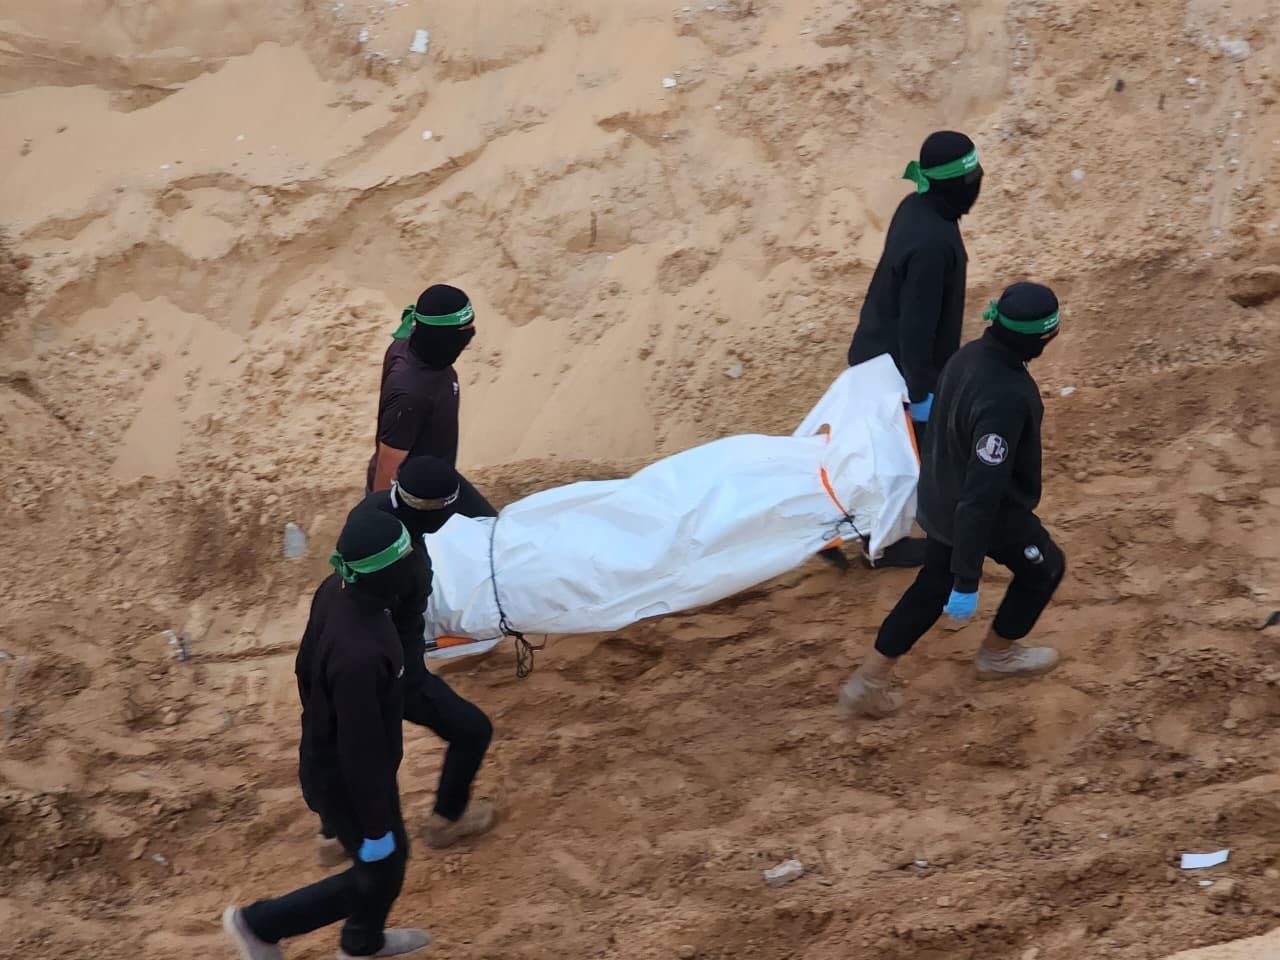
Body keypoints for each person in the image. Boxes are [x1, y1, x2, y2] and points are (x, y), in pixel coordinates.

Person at [838, 281, 1066, 718]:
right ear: (1040, 339)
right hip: (985, 512)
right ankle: (998, 655)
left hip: (940, 495)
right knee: (1044, 569)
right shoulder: (1008, 394)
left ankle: (867, 682)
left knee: (929, 588)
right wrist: (967, 576)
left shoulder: (968, 356)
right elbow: (983, 491)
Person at [222, 511, 431, 960]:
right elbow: (360, 752)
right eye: (406, 558)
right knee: (380, 871)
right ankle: (260, 924)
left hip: (334, 759)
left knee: (388, 864)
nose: (415, 562)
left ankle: (363, 942)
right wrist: (375, 825)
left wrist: (320, 717)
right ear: (387, 575)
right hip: (347, 779)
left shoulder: (336, 589)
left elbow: (304, 667)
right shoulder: (362, 653)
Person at [316, 456, 497, 866]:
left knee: (351, 743)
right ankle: (447, 820)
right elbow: (409, 625)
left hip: (337, 652)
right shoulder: (412, 565)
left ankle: (333, 835)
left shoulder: (370, 511)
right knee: (472, 730)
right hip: (390, 668)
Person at [822, 130, 984, 571]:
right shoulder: (934, 244)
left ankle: (835, 526)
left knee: (874, 457)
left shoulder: (916, 207)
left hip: (876, 352)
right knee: (904, 463)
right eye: (972, 179)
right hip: (899, 371)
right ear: (956, 186)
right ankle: (885, 545)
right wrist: (919, 392)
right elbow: (917, 325)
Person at [367, 284, 478, 495]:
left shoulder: (411, 343)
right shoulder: (410, 395)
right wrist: (382, 510)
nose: (471, 334)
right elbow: (387, 469)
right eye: (464, 330)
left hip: (437, 477)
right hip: (415, 499)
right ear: (442, 337)